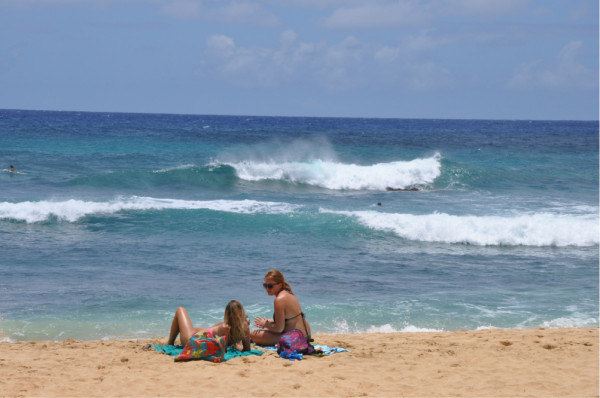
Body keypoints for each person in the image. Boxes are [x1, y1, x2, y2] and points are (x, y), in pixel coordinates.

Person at [252, 269, 312, 349]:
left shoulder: (279, 300)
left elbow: (279, 329)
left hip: (296, 338)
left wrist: (265, 324)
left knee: (253, 334)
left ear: (280, 285)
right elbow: (287, 321)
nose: (267, 289)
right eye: (265, 285)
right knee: (262, 330)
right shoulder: (288, 294)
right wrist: (268, 322)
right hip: (305, 334)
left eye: (270, 286)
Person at [166, 300, 251, 351]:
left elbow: (223, 350)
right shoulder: (245, 327)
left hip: (191, 342)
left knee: (180, 310)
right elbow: (247, 349)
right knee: (202, 330)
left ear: (227, 314)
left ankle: (170, 342)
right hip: (195, 340)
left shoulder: (224, 327)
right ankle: (171, 341)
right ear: (242, 313)